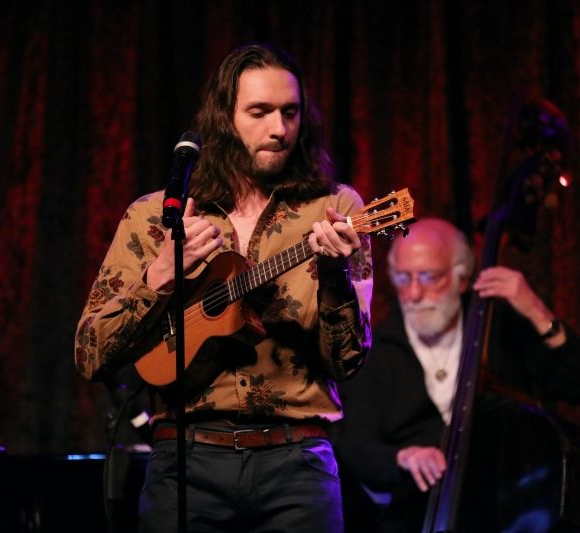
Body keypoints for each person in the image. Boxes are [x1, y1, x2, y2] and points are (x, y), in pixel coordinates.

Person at [75, 43, 373, 533]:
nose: (279, 129)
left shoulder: (335, 209)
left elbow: (349, 360)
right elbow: (90, 353)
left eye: (290, 112)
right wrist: (158, 280)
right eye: (260, 112)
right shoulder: (155, 217)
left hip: (297, 464)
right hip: (185, 465)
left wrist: (335, 277)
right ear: (224, 117)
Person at [332, 217, 580, 533]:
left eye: (428, 276)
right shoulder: (374, 351)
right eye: (403, 278)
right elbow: (353, 444)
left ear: (461, 279)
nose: (414, 292)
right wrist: (401, 457)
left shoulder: (496, 331)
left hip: (510, 512)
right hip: (416, 516)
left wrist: (536, 311)